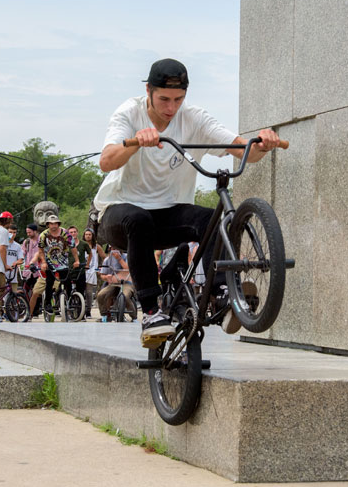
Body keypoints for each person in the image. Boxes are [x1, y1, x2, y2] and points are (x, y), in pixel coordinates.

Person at [93, 58, 281, 346]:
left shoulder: (194, 118)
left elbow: (244, 150)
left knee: (210, 219)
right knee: (139, 219)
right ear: (148, 91)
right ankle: (152, 312)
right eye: (164, 99)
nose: (171, 108)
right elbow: (106, 161)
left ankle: (222, 295)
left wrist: (262, 144)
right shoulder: (128, 113)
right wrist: (133, 143)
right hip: (119, 215)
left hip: (167, 216)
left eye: (178, 99)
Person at [37, 214, 79, 315]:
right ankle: (47, 303)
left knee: (68, 282)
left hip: (63, 262)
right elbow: (40, 250)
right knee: (49, 283)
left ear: (58, 224)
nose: (53, 226)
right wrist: (43, 262)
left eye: (55, 223)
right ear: (48, 225)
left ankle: (68, 301)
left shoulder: (65, 233)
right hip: (50, 263)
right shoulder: (43, 235)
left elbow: (73, 247)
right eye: (51, 224)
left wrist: (76, 260)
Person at [96, 249, 136, 321]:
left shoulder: (127, 257)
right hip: (113, 284)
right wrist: (106, 277)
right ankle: (105, 315)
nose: (114, 250)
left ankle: (134, 317)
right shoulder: (107, 259)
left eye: (116, 248)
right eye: (113, 248)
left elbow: (129, 269)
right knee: (100, 295)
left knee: (126, 296)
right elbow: (102, 275)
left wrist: (119, 259)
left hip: (126, 283)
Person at [82, 228, 104, 319]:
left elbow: (104, 257)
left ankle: (88, 311)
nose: (88, 236)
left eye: (89, 234)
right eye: (86, 234)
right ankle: (80, 310)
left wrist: (101, 267)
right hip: (82, 271)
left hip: (91, 271)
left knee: (89, 292)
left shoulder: (96, 246)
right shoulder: (81, 245)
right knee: (80, 291)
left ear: (92, 235)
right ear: (84, 235)